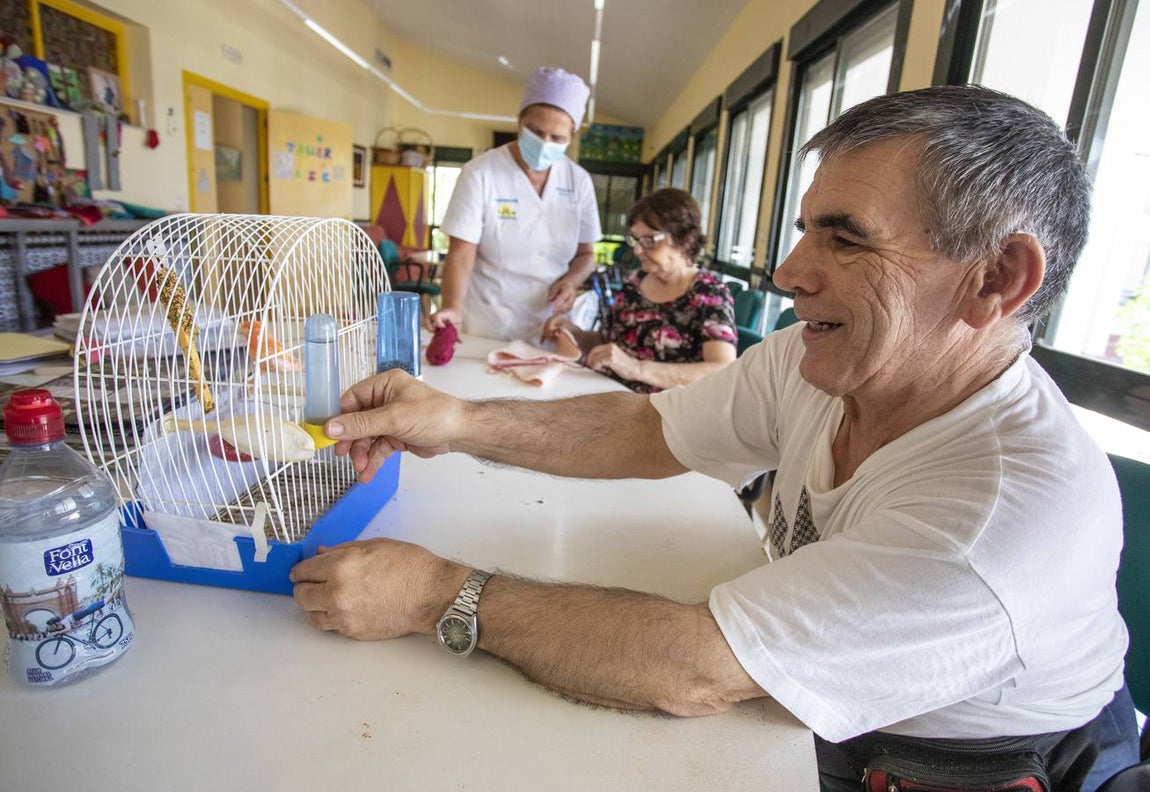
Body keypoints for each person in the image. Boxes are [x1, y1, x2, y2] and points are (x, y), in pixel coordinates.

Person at [290, 86, 1139, 790]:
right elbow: (649, 429)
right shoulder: (827, 362)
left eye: (845, 238)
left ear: (995, 278)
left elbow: (694, 669)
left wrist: (435, 593)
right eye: (807, 227)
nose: (790, 272)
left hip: (966, 763)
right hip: (830, 704)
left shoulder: (1000, 515)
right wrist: (459, 420)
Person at [433, 67, 602, 342]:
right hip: (489, 318)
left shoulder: (578, 181)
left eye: (557, 138)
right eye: (535, 131)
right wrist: (451, 305)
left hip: (549, 322)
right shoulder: (480, 173)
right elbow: (461, 254)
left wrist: (570, 281)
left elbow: (586, 254)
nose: (545, 143)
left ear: (572, 135)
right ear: (519, 122)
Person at [541, 188, 737, 393]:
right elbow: (608, 341)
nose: (637, 250)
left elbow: (721, 370)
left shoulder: (710, 294)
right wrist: (574, 333)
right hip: (608, 395)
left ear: (683, 239)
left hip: (662, 412)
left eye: (649, 240)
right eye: (636, 239)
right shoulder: (635, 282)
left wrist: (636, 368)